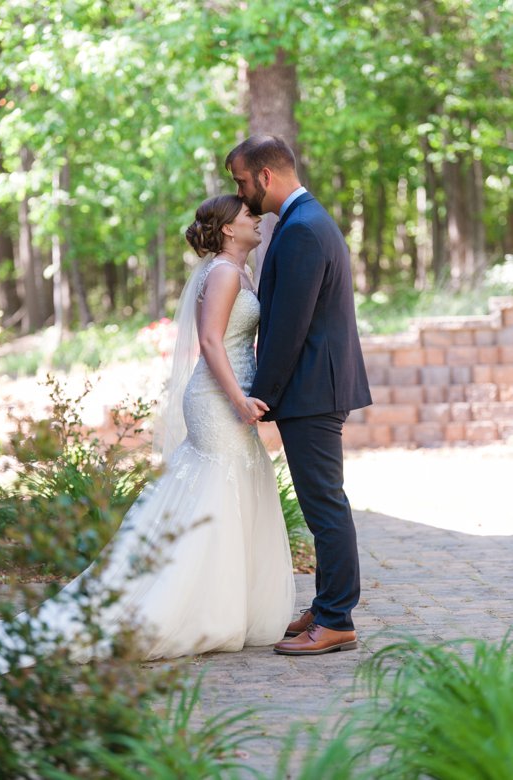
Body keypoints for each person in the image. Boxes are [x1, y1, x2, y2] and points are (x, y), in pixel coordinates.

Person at [0, 194, 295, 670]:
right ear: (228, 229)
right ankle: (187, 609)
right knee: (216, 489)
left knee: (228, 489)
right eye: (247, 216)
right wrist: (239, 397)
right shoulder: (221, 273)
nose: (256, 220)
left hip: (231, 394)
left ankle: (223, 604)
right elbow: (211, 341)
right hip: (219, 399)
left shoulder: (238, 271)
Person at [226, 135, 371, 656]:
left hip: (313, 388)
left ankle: (336, 619)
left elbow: (289, 325)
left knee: (324, 503)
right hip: (316, 385)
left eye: (242, 181)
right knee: (321, 502)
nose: (240, 194)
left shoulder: (304, 229)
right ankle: (327, 603)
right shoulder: (304, 221)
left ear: (266, 176)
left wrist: (259, 396)